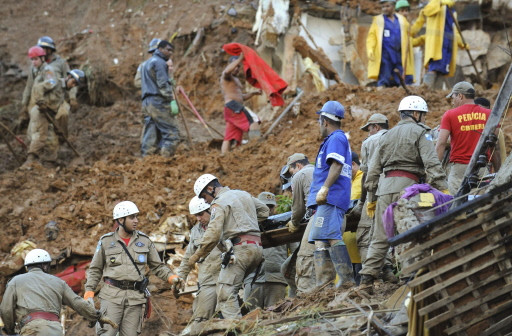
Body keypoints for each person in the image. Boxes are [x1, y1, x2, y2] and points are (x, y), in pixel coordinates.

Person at [359, 96, 448, 293]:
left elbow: (373, 170)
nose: (424, 119)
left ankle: (366, 280)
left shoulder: (386, 136)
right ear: (416, 114)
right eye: (423, 115)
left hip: (385, 188)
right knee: (409, 231)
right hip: (408, 187)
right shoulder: (420, 132)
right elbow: (432, 163)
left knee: (380, 235)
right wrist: (443, 189)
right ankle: (409, 277)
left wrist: (372, 199)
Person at [84, 201, 182, 336]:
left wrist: (171, 277)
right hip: (111, 297)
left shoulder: (145, 241)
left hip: (135, 300)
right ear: (120, 219)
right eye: (132, 217)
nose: (136, 221)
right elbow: (95, 269)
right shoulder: (106, 241)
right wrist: (89, 292)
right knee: (107, 333)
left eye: (136, 217)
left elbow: (158, 266)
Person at [188, 174, 269, 319]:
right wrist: (247, 223)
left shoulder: (218, 203)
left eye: (204, 196)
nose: (205, 200)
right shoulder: (243, 194)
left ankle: (238, 329)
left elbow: (213, 234)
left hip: (240, 250)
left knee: (225, 293)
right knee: (233, 290)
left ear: (211, 189)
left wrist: (196, 256)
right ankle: (245, 319)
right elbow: (264, 211)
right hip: (257, 248)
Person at [307, 101, 355, 289]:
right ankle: (324, 284)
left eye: (320, 121)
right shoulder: (336, 139)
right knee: (320, 238)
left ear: (325, 121)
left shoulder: (336, 138)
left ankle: (346, 280)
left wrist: (324, 188)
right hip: (329, 199)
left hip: (331, 197)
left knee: (332, 235)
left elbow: (336, 165)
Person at [0, 249, 101, 335]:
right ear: (44, 265)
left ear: (27, 267)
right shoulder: (58, 282)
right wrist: (94, 315)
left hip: (31, 329)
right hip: (54, 330)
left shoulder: (16, 281)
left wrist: (10, 330)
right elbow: (77, 302)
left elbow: (6, 309)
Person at [435, 82, 500, 195]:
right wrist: (498, 172)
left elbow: (441, 143)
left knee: (456, 206)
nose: (452, 101)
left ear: (460, 96)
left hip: (459, 170)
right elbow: (494, 145)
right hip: (481, 168)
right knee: (479, 206)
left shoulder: (449, 115)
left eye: (453, 97)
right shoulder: (489, 114)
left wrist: (435, 171)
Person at [355, 113, 395, 282]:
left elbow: (366, 174)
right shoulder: (396, 136)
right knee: (389, 230)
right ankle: (389, 270)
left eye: (369, 129)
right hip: (397, 189)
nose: (368, 133)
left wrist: (363, 201)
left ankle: (373, 277)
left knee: (365, 236)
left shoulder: (369, 142)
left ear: (376, 127)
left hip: (376, 193)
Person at [177, 196, 221, 331]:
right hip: (207, 281)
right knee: (201, 320)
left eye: (201, 214)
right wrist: (180, 277)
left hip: (228, 278)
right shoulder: (195, 231)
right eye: (196, 215)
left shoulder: (223, 223)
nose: (198, 218)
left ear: (210, 211)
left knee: (233, 315)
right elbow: (188, 257)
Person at [244, 192, 288, 309]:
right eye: (264, 206)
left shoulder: (283, 225)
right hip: (253, 280)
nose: (267, 210)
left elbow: (295, 253)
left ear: (275, 207)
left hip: (277, 280)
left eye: (270, 207)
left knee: (275, 317)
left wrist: (289, 275)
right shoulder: (247, 226)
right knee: (250, 318)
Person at [21, 46, 60, 167]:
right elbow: (28, 87)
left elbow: (52, 82)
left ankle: (40, 159)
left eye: (36, 59)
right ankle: (38, 158)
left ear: (43, 58)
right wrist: (24, 104)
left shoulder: (48, 70)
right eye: (32, 59)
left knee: (43, 133)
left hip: (45, 106)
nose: (34, 62)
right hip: (34, 107)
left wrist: (41, 87)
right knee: (32, 133)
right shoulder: (33, 70)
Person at [283, 153, 316, 294]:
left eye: (291, 171)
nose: (291, 176)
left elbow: (298, 207)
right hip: (336, 215)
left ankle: (306, 297)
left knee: (304, 259)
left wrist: (294, 222)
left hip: (317, 216)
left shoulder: (300, 174)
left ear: (297, 165)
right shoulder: (320, 170)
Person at [140, 40, 180, 157]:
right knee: (172, 133)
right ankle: (164, 161)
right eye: (168, 50)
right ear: (160, 49)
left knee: (150, 133)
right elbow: (163, 84)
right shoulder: (159, 63)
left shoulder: (145, 64)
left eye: (171, 51)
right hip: (158, 101)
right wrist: (171, 99)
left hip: (147, 102)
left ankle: (146, 160)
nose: (170, 53)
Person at [220, 54, 262, 154]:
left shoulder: (236, 80)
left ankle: (223, 156)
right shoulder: (227, 76)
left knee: (229, 136)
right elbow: (227, 71)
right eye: (235, 66)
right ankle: (257, 149)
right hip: (233, 106)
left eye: (239, 67)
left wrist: (253, 93)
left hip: (232, 108)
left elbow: (240, 97)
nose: (237, 68)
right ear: (230, 65)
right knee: (254, 121)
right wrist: (240, 59)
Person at [420, 0, 467, 89]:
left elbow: (455, 31)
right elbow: (427, 11)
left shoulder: (453, 12)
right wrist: (441, 3)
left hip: (448, 46)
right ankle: (426, 90)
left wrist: (462, 43)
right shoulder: (435, 3)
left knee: (442, 70)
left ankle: (436, 95)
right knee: (434, 68)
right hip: (437, 46)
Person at [367, 0, 414, 87]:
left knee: (400, 70)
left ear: (393, 6)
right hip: (385, 52)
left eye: (387, 6)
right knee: (385, 70)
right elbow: (372, 36)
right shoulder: (378, 20)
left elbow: (408, 34)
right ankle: (382, 86)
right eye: (383, 7)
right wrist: (370, 49)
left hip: (399, 52)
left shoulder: (401, 20)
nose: (385, 9)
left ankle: (401, 87)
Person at [345, 152, 363, 284]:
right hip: (351, 248)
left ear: (352, 164)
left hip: (361, 244)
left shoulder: (363, 178)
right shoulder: (349, 182)